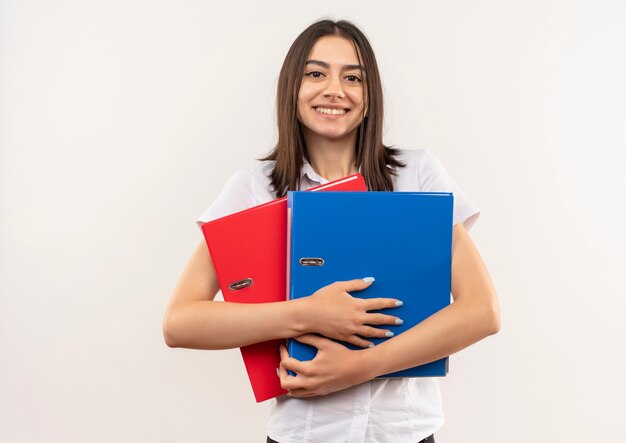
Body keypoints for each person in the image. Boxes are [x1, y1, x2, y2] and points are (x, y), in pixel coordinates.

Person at [163, 19, 500, 443]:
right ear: (293, 88)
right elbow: (180, 322)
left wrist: (361, 366)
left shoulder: (418, 175)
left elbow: (482, 311)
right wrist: (306, 313)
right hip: (303, 435)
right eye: (316, 73)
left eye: (352, 77)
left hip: (406, 433)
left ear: (369, 92)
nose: (334, 90)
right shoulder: (255, 187)